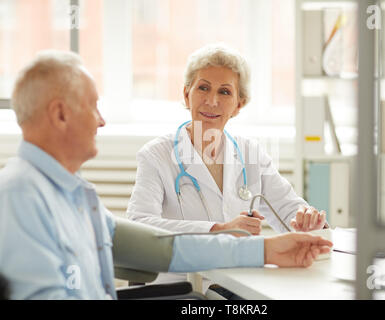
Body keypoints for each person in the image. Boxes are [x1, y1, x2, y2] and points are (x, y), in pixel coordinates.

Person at [0, 50, 332, 300]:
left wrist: (267, 250)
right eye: (93, 106)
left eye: (226, 92)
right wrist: (229, 233)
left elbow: (162, 249)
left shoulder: (74, 194)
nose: (102, 121)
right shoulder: (20, 196)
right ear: (60, 114)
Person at [126, 44, 330, 292]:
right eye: (203, 88)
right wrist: (216, 230)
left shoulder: (250, 154)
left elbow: (288, 210)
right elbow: (139, 226)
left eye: (224, 92)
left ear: (238, 105)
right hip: (180, 289)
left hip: (238, 285)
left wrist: (306, 222)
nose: (211, 101)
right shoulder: (156, 155)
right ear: (186, 94)